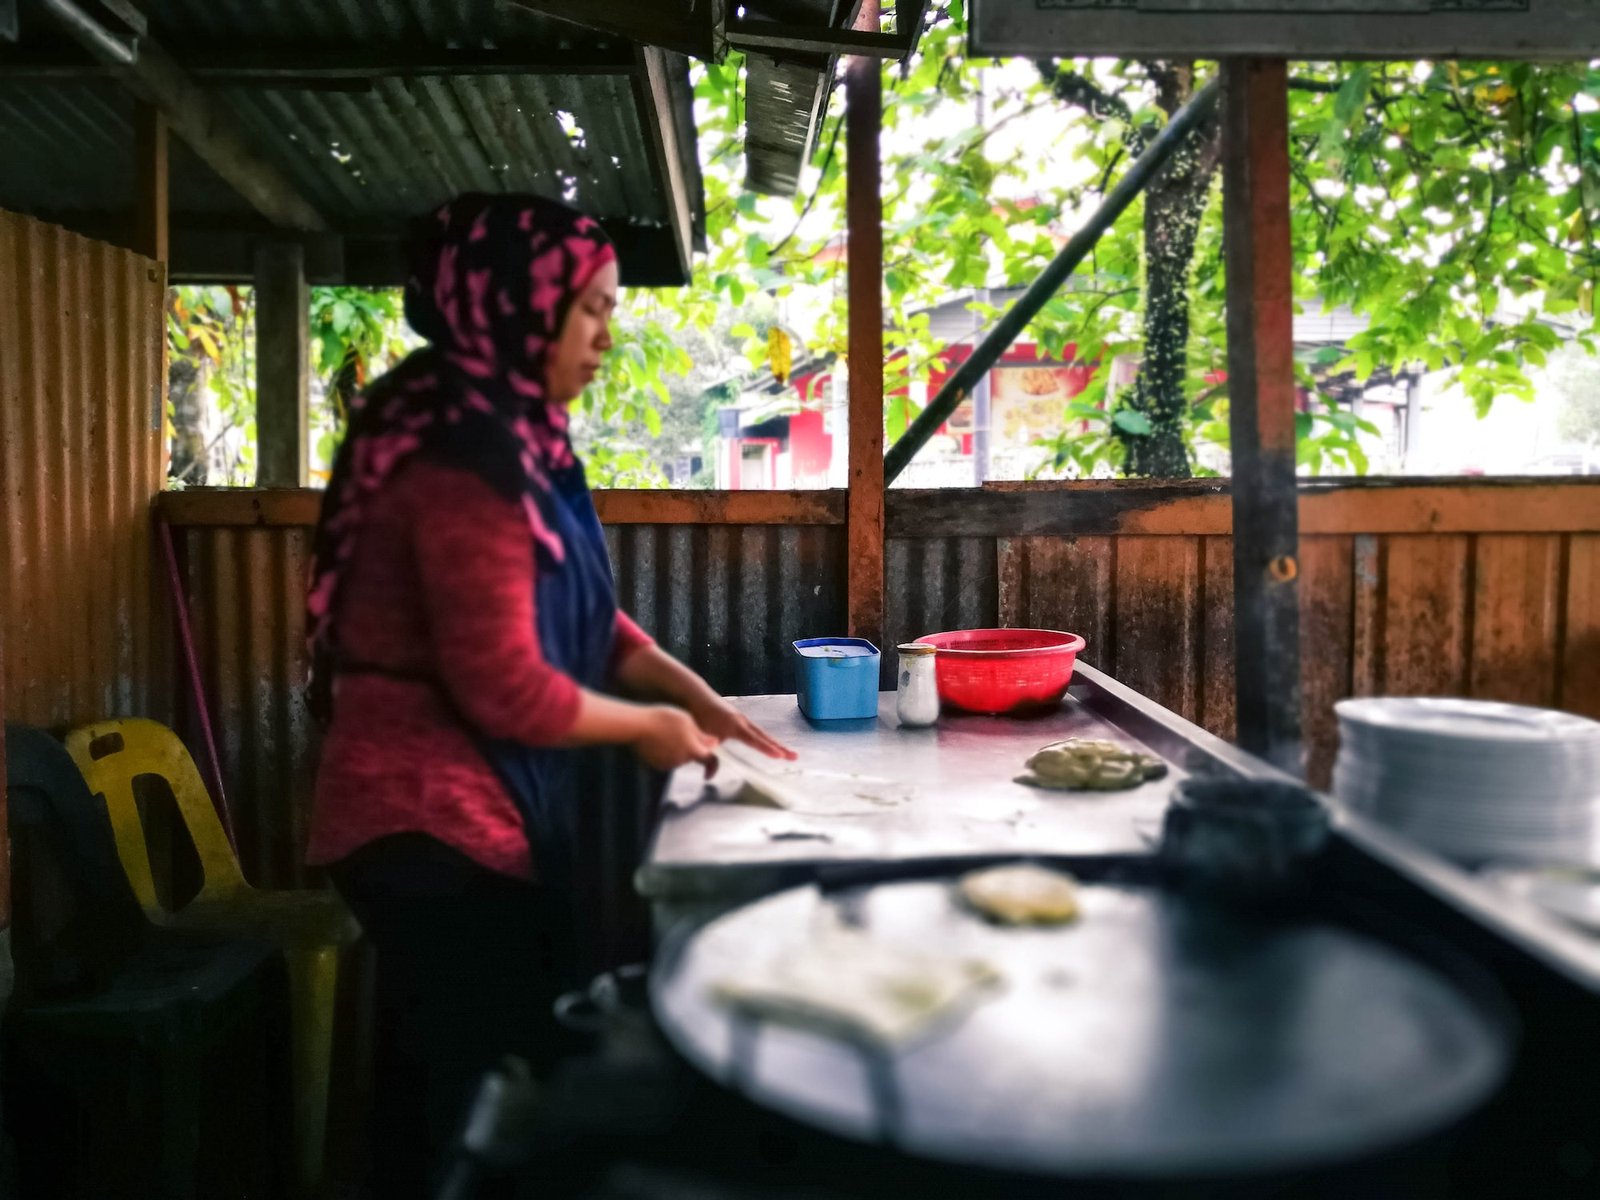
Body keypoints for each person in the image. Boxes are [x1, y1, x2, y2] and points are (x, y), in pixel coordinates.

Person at [302, 194, 793, 1198]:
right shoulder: (460, 455)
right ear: (518, 305)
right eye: (591, 311)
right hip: (425, 825)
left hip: (473, 813)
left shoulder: (516, 432)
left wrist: (692, 693)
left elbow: (579, 619)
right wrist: (651, 728)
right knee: (472, 1096)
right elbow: (505, 683)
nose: (608, 337)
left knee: (453, 1084)